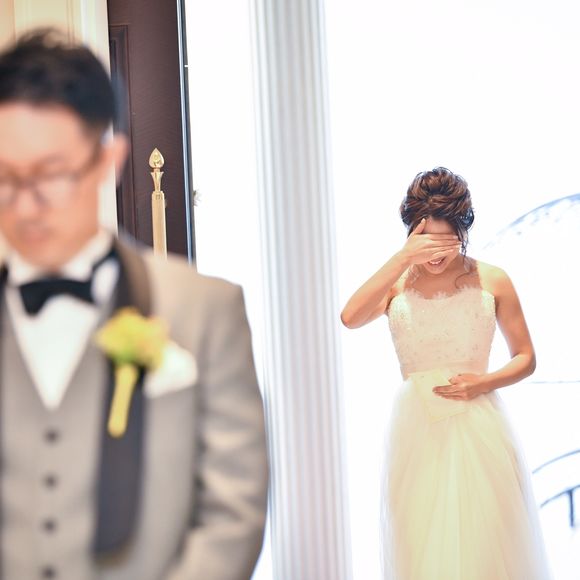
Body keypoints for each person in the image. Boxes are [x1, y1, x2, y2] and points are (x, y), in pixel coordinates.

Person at [0, 29, 268, 580]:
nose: (25, 206)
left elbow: (233, 514)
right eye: (5, 177)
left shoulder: (205, 309)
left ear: (109, 159)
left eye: (51, 175)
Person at [341, 167, 552, 579]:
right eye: (426, 242)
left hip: (480, 427)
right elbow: (350, 317)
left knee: (486, 543)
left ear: (463, 231)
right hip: (416, 430)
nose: (435, 254)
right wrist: (403, 258)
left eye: (446, 242)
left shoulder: (493, 279)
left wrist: (483, 383)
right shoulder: (396, 283)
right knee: (422, 543)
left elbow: (525, 357)